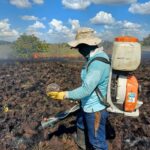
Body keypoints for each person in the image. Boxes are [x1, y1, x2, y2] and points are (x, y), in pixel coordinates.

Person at [47, 27, 110, 150]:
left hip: (94, 109)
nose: (78, 50)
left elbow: (86, 90)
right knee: (80, 123)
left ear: (87, 45)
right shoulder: (94, 58)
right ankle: (82, 146)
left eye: (79, 47)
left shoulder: (97, 63)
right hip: (87, 104)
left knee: (97, 142)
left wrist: (63, 94)